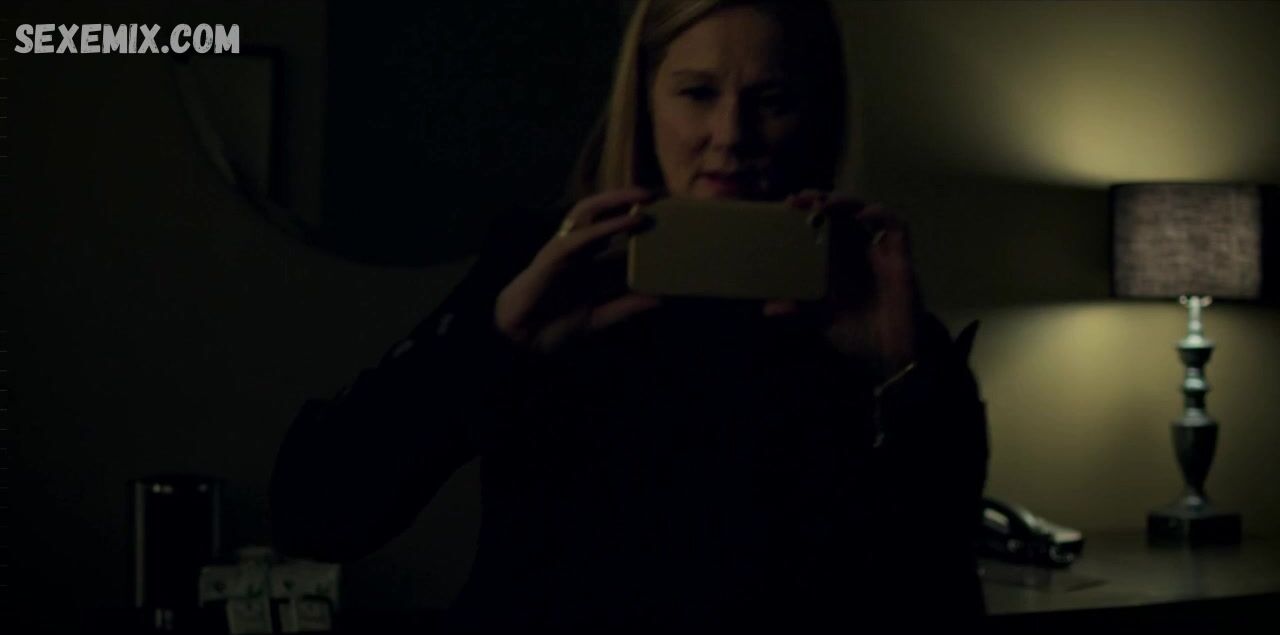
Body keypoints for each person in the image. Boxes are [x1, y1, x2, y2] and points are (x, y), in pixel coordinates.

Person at [269, 0, 989, 632]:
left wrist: (906, 377)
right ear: (644, 97)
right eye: (697, 93)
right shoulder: (551, 267)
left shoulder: (861, 304)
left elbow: (938, 588)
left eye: (771, 99)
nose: (730, 134)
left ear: (818, 112)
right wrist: (493, 345)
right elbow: (313, 512)